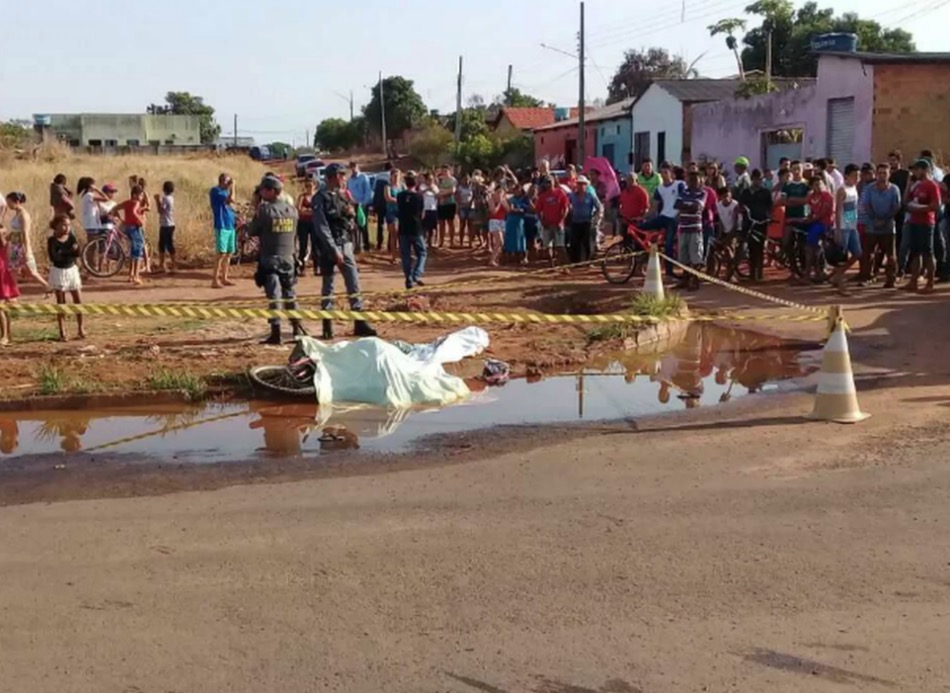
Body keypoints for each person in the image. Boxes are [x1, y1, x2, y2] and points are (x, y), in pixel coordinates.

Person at [312, 163, 377, 340]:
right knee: (328, 286)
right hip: (329, 247)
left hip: (345, 243)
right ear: (332, 176)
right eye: (341, 175)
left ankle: (359, 321)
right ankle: (327, 325)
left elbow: (349, 219)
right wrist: (333, 250)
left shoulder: (341, 196)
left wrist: (350, 216)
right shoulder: (320, 198)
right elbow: (322, 226)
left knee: (353, 282)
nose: (344, 178)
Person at [249, 176, 304, 345]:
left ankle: (276, 332)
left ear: (272, 191)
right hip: (289, 258)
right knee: (289, 294)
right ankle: (296, 328)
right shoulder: (292, 210)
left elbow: (252, 230)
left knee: (274, 296)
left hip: (270, 259)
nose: (261, 193)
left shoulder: (265, 211)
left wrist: (256, 208)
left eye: (264, 190)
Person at [904, 158, 942, 293]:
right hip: (914, 221)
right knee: (915, 252)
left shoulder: (932, 185)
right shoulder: (917, 185)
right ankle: (913, 281)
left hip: (926, 223)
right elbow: (906, 201)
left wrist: (918, 209)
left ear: (924, 170)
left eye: (917, 169)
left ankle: (930, 283)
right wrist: (909, 185)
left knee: (928, 252)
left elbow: (936, 206)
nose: (915, 172)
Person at [640, 163, 684, 277]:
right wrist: (643, 217)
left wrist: (678, 216)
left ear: (671, 174)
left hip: (673, 218)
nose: (663, 175)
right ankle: (639, 261)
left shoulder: (679, 185)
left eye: (666, 172)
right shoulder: (659, 188)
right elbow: (654, 207)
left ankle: (669, 272)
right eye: (662, 172)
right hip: (663, 216)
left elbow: (683, 201)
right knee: (639, 229)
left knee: (668, 245)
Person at [46, 214, 85, 341]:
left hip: (71, 270)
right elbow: (54, 257)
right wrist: (68, 251)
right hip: (59, 271)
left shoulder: (71, 237)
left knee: (78, 300)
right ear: (56, 226)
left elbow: (76, 253)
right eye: (63, 225)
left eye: (68, 225)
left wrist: (64, 251)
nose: (66, 228)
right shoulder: (52, 240)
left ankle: (81, 328)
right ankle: (62, 331)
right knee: (61, 303)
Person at [863, 162, 902, 289]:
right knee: (869, 253)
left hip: (889, 226)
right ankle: (868, 276)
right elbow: (866, 205)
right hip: (872, 225)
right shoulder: (869, 188)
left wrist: (885, 219)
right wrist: (875, 219)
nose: (882, 176)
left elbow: (896, 207)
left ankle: (890, 279)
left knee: (890, 255)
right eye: (879, 173)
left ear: (889, 174)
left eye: (884, 173)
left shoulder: (894, 189)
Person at [2, 192, 49, 290]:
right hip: (14, 245)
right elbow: (14, 231)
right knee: (13, 270)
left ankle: (47, 286)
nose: (8, 204)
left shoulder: (24, 215)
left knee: (31, 271)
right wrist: (5, 240)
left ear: (17, 202)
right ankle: (13, 294)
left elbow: (25, 234)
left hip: (21, 245)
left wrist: (27, 250)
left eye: (9, 202)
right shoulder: (17, 214)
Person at [831, 164, 862, 294]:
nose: (857, 178)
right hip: (843, 227)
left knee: (857, 253)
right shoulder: (842, 190)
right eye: (854, 175)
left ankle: (837, 275)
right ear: (847, 176)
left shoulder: (854, 188)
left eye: (858, 176)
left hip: (852, 225)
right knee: (841, 257)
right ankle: (841, 285)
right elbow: (838, 210)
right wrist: (838, 229)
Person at [738, 169, 773, 282]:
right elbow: (740, 205)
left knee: (760, 248)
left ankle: (760, 273)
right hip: (748, 223)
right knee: (750, 248)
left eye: (760, 179)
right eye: (756, 179)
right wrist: (743, 209)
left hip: (761, 223)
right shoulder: (745, 192)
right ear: (752, 179)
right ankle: (752, 272)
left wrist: (769, 216)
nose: (758, 181)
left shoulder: (766, 192)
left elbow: (770, 206)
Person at [674, 171, 707, 290]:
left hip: (695, 228)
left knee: (695, 255)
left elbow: (697, 207)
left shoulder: (702, 193)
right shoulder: (683, 192)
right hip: (683, 227)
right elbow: (677, 205)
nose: (693, 182)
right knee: (683, 255)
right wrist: (689, 206)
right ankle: (685, 278)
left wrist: (685, 206)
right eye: (691, 180)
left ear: (700, 181)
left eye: (695, 180)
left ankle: (694, 280)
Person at [396, 172, 427, 289]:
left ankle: (408, 279)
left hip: (403, 228)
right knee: (422, 252)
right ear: (416, 183)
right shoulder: (419, 196)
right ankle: (416, 274)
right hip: (416, 228)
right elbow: (422, 213)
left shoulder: (399, 196)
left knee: (406, 255)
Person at [781, 161, 811, 280]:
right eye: (794, 169)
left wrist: (792, 199)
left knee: (803, 245)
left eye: (798, 169)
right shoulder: (787, 185)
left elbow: (807, 200)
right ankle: (793, 270)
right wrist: (799, 200)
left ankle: (804, 270)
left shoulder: (807, 184)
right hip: (789, 218)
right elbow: (784, 201)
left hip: (803, 219)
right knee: (787, 244)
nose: (797, 171)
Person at [802, 176, 835, 284]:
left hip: (824, 224)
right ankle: (816, 272)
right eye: (816, 185)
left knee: (811, 248)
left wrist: (811, 219)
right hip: (815, 224)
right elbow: (809, 210)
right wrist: (808, 218)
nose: (819, 186)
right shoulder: (811, 197)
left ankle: (808, 274)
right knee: (812, 250)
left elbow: (824, 212)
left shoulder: (827, 196)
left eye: (820, 184)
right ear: (812, 186)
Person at [113, 186, 147, 285]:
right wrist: (139, 220)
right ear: (135, 195)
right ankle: (136, 276)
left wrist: (121, 219)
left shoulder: (127, 202)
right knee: (138, 251)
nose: (141, 197)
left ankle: (131, 275)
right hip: (135, 227)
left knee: (133, 251)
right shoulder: (136, 203)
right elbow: (133, 212)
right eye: (141, 195)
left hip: (128, 227)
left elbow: (115, 208)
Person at [567, 175, 603, 265]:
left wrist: (595, 217)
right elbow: (566, 204)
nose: (581, 186)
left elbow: (599, 207)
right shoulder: (572, 196)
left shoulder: (590, 196)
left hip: (587, 221)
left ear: (586, 185)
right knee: (575, 242)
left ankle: (588, 261)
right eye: (579, 184)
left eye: (583, 184)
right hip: (575, 221)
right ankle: (575, 261)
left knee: (587, 242)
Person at [536, 175, 570, 268]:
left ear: (554, 182)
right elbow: (538, 210)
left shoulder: (560, 193)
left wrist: (561, 220)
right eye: (547, 182)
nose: (548, 184)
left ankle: (565, 266)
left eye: (550, 182)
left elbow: (566, 208)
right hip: (547, 224)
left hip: (558, 224)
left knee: (560, 247)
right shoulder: (542, 196)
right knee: (547, 247)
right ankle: (551, 266)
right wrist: (542, 221)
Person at [209, 173, 236, 288]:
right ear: (222, 181)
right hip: (221, 224)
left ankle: (224, 277)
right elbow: (231, 199)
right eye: (227, 182)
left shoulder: (225, 191)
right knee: (221, 253)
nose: (229, 184)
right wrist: (233, 187)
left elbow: (231, 203)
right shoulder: (216, 191)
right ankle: (215, 280)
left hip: (229, 224)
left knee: (229, 252)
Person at [0, 214, 20, 345]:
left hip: (1, 273)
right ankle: (7, 334)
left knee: (3, 306)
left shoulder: (3, 238)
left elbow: (4, 242)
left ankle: (6, 335)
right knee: (3, 306)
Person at [346, 162, 373, 253]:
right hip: (353, 205)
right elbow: (348, 192)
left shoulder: (363, 177)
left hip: (362, 204)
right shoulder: (349, 180)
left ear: (357, 167)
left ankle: (366, 245)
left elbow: (367, 191)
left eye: (354, 167)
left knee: (363, 225)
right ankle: (357, 245)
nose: (353, 169)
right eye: (351, 168)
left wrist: (364, 203)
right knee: (354, 226)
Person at [295, 178, 319, 276]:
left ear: (315, 185)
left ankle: (316, 267)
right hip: (303, 223)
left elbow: (318, 209)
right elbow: (299, 209)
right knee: (303, 245)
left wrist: (307, 210)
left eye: (311, 185)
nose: (309, 188)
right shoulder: (302, 196)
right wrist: (311, 211)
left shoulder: (317, 196)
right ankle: (302, 268)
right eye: (307, 186)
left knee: (316, 245)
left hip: (314, 223)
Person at [77, 177, 109, 244]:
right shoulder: (89, 195)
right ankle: (87, 255)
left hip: (92, 223)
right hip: (91, 224)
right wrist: (97, 190)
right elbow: (106, 198)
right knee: (92, 245)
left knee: (93, 245)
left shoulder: (87, 196)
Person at [503, 185, 528, 265]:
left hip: (519, 221)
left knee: (520, 238)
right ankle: (510, 256)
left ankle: (521, 257)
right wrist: (516, 210)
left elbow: (525, 209)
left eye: (519, 190)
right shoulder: (510, 199)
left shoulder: (524, 199)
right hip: (510, 220)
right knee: (510, 238)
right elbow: (509, 210)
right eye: (516, 190)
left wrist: (517, 210)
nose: (517, 191)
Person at [155, 181, 176, 273]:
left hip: (166, 224)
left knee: (164, 245)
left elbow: (161, 210)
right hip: (169, 223)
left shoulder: (165, 198)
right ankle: (166, 264)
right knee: (165, 244)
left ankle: (167, 264)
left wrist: (157, 200)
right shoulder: (171, 198)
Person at [436, 164, 458, 247]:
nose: (444, 172)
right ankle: (441, 241)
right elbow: (436, 190)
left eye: (445, 170)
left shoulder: (453, 180)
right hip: (440, 204)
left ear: (449, 171)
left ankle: (451, 241)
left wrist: (442, 193)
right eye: (442, 170)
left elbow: (452, 190)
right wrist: (443, 192)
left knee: (450, 222)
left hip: (450, 203)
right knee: (441, 223)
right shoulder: (439, 180)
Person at [383, 169, 403, 262]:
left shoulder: (402, 186)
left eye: (397, 176)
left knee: (402, 234)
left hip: (401, 212)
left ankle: (402, 255)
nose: (396, 178)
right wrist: (400, 200)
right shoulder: (387, 186)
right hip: (391, 212)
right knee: (394, 233)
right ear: (390, 176)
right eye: (394, 176)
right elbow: (388, 198)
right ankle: (393, 256)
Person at [419, 171, 438, 248]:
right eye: (429, 179)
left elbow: (438, 195)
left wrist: (433, 190)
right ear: (426, 180)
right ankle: (423, 242)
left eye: (432, 179)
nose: (431, 181)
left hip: (433, 209)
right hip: (425, 209)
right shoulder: (422, 186)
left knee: (432, 228)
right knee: (424, 227)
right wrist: (427, 189)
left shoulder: (435, 187)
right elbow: (420, 193)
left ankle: (430, 243)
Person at [456, 173, 475, 248]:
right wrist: (460, 203)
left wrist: (471, 202)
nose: (466, 181)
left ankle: (470, 242)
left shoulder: (472, 187)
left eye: (467, 179)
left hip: (471, 207)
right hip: (462, 207)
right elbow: (457, 197)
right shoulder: (459, 187)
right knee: (462, 225)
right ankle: (461, 242)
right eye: (464, 179)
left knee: (471, 225)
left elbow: (474, 196)